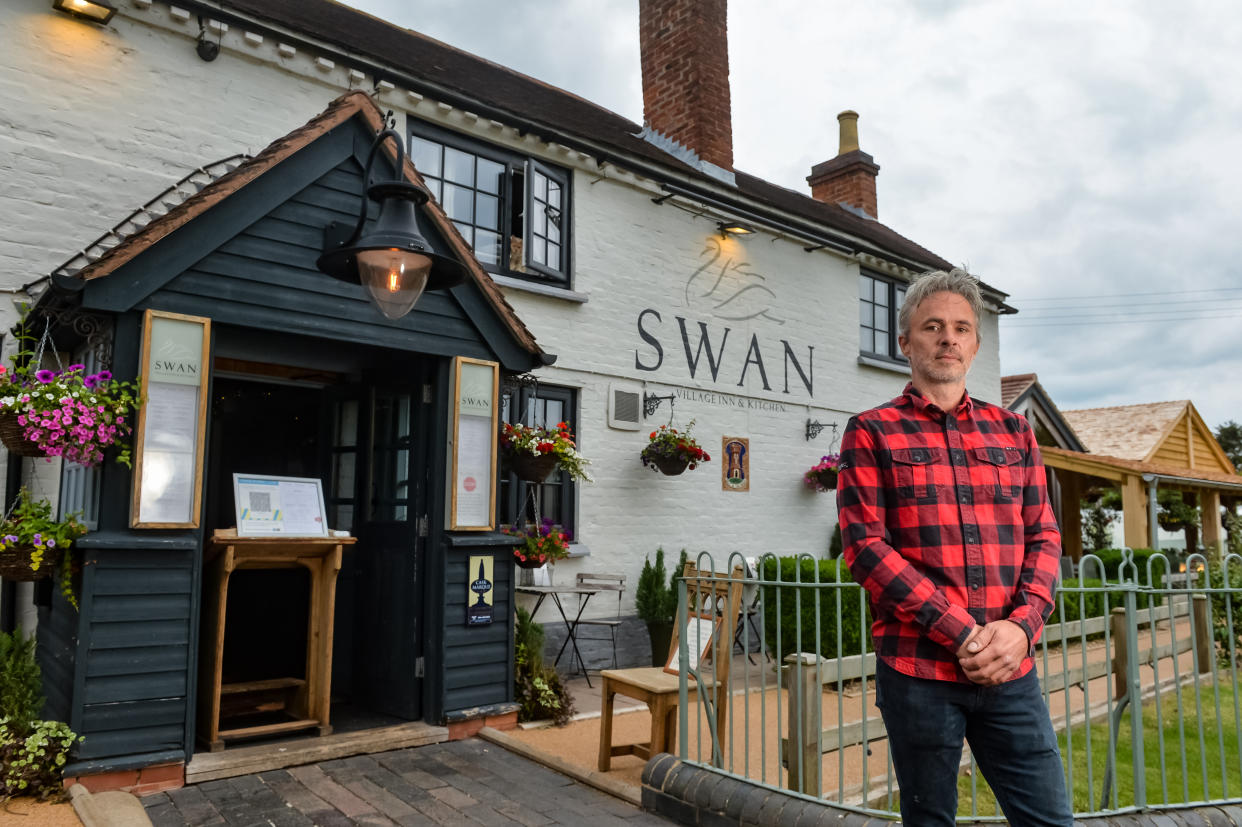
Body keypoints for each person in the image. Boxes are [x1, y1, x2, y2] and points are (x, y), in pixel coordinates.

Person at [837, 269, 1073, 826]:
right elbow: (866, 549)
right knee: (929, 821)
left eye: (962, 328)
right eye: (933, 326)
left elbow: (1044, 536)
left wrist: (1021, 628)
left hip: (1012, 670)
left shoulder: (1014, 432)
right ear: (905, 343)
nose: (948, 338)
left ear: (975, 344)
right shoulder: (871, 432)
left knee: (1049, 820)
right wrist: (963, 634)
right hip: (918, 672)